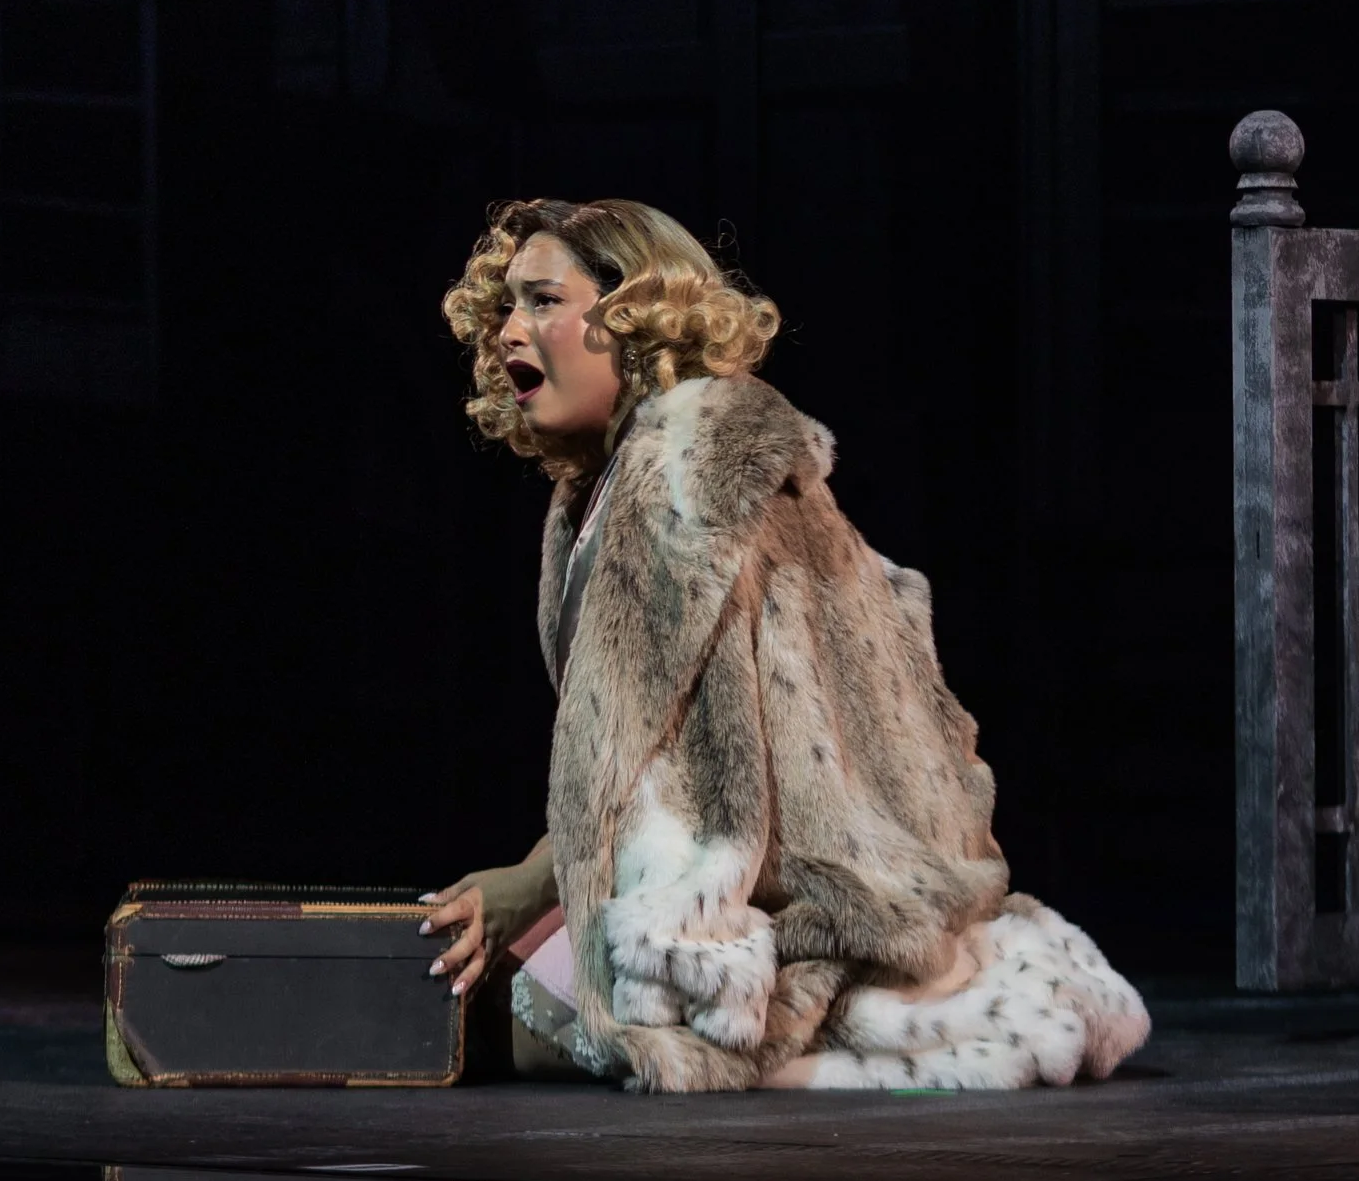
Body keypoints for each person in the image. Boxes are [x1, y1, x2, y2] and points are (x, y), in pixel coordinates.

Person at [420, 195, 1150, 1093]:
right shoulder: (619, 483)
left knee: (458, 1015)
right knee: (471, 977)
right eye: (504, 307)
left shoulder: (682, 474)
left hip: (790, 903)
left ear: (635, 315)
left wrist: (521, 889)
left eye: (542, 300)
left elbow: (634, 767)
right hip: (785, 874)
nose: (508, 332)